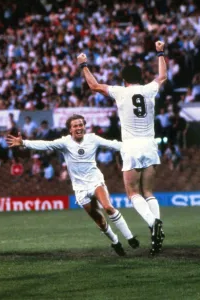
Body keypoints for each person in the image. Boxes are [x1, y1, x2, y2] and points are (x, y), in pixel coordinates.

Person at [78, 41, 167, 256]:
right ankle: (156, 225)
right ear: (140, 77)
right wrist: (160, 52)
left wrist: (83, 65)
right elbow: (162, 76)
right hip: (150, 143)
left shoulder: (120, 91)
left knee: (133, 192)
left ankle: (153, 223)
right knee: (148, 192)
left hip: (132, 145)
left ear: (124, 79)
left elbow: (94, 86)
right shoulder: (149, 89)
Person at [7, 114, 139, 256]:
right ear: (70, 129)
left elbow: (113, 144)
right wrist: (24, 143)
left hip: (95, 180)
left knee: (108, 207)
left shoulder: (92, 139)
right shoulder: (65, 143)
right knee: (99, 221)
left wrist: (133, 147)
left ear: (84, 126)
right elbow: (46, 144)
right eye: (75, 126)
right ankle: (115, 241)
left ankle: (130, 237)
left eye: (81, 125)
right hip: (80, 188)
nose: (79, 128)